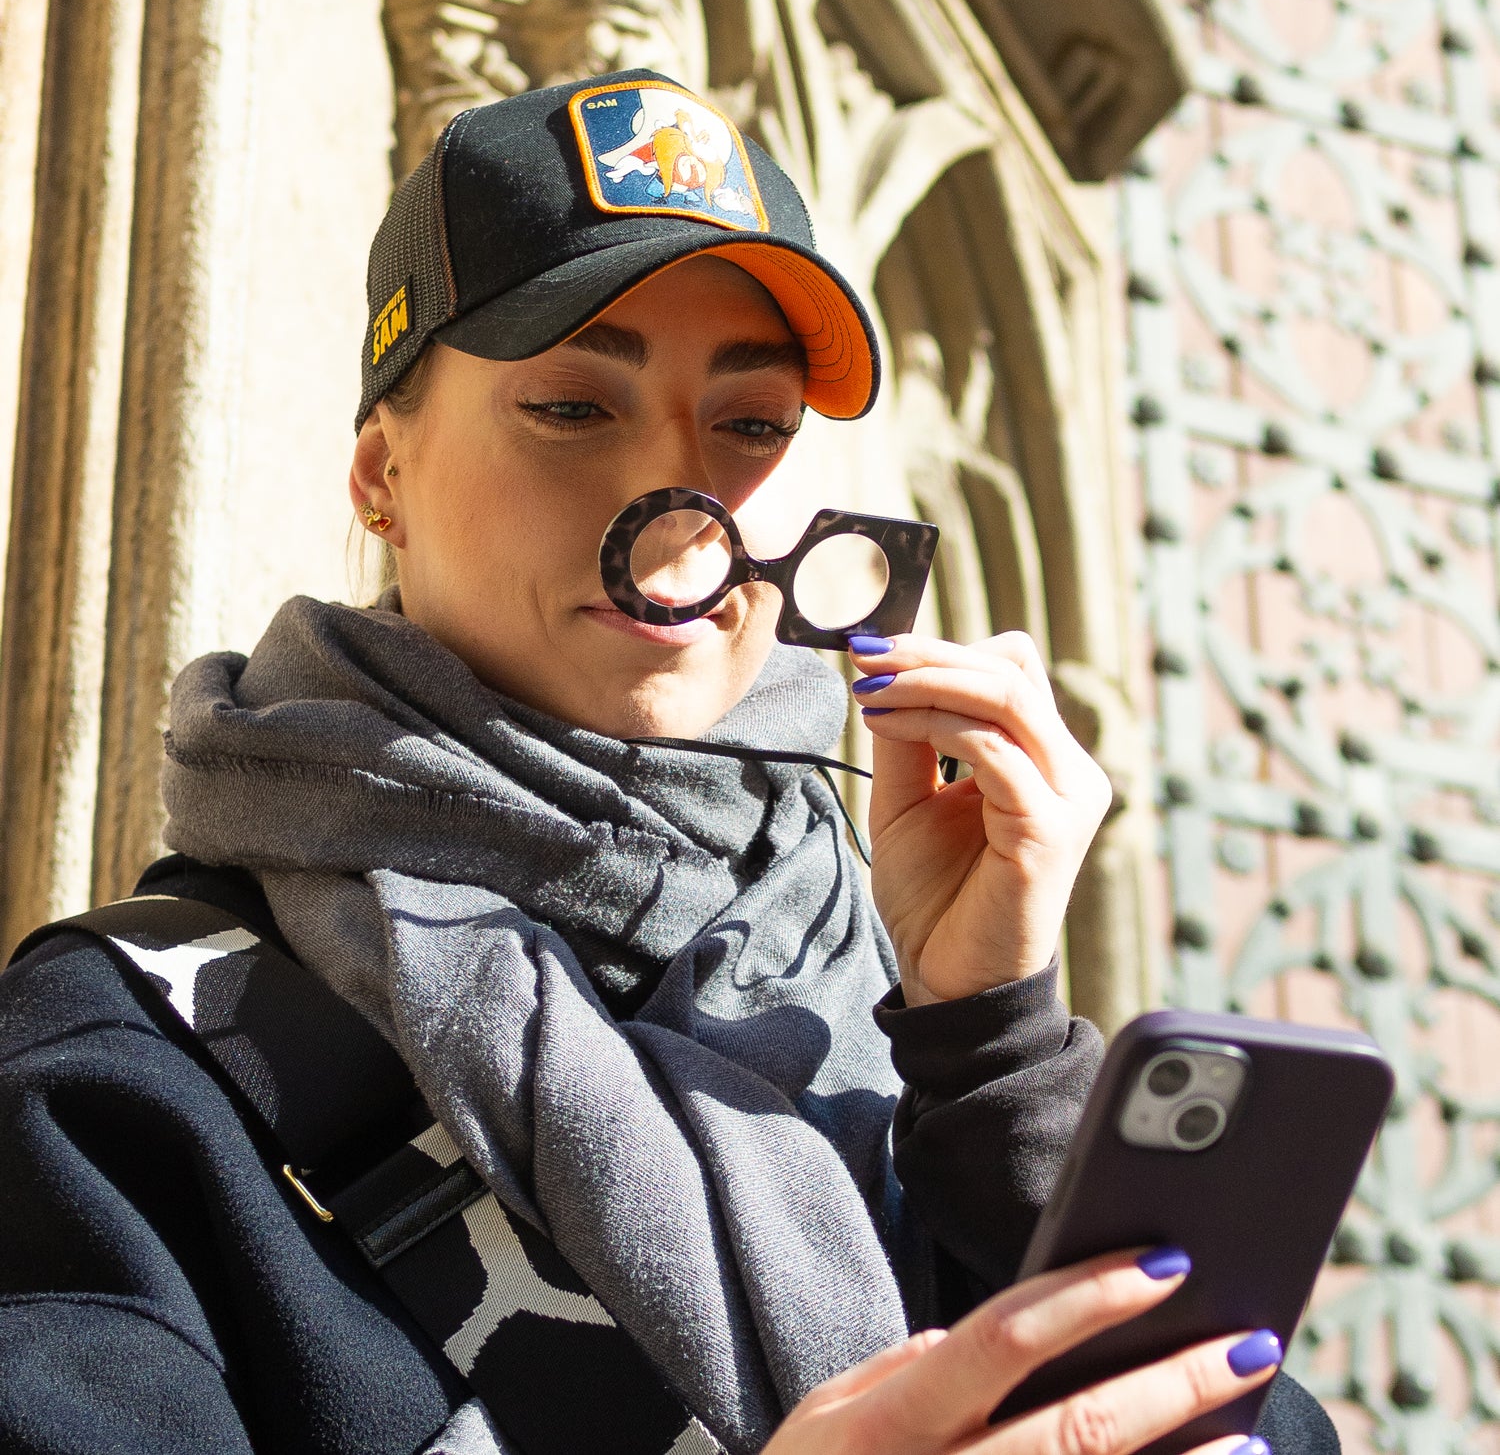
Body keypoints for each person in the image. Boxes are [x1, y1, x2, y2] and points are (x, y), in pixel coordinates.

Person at [0, 70, 1334, 1455]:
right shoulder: (129, 1065)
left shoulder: (896, 996)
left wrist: (995, 1049)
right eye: (573, 408)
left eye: (753, 424)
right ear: (382, 476)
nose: (682, 505)